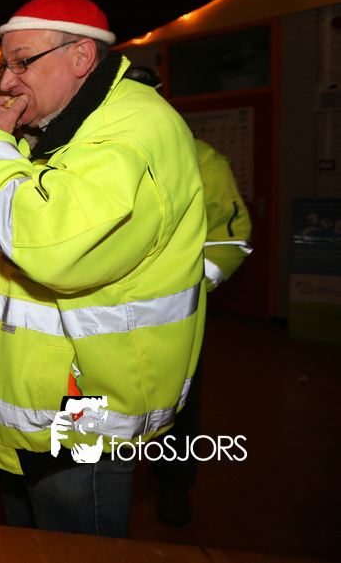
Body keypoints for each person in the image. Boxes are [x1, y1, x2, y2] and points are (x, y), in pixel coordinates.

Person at [0, 0, 206, 538]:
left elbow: (48, 243)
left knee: (75, 539)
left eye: (22, 62)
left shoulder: (130, 131)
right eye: (4, 66)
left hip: (85, 406)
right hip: (46, 395)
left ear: (80, 57)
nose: (7, 81)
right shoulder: (77, 123)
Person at [123, 66, 253, 525]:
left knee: (179, 404)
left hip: (172, 317)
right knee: (103, 407)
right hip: (103, 316)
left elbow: (230, 239)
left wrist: (186, 288)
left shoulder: (200, 158)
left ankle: (174, 484)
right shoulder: (93, 154)